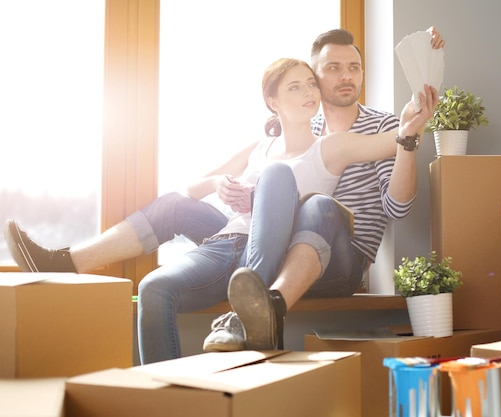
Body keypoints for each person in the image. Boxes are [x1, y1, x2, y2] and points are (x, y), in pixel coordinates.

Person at [5, 56, 436, 364]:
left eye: (311, 84)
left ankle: (249, 303)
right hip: (226, 243)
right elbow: (192, 188)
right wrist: (223, 185)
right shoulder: (259, 147)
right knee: (155, 285)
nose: (309, 92)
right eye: (296, 87)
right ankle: (64, 263)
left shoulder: (331, 146)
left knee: (277, 178)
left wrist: (412, 121)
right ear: (273, 102)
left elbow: (391, 138)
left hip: (274, 251)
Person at [203, 27, 445, 352]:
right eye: (333, 68)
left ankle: (265, 309)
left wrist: (408, 137)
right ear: (314, 78)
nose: (347, 76)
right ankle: (260, 311)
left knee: (320, 207)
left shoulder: (383, 127)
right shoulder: (303, 131)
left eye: (354, 67)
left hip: (342, 264)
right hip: (285, 260)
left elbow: (398, 208)